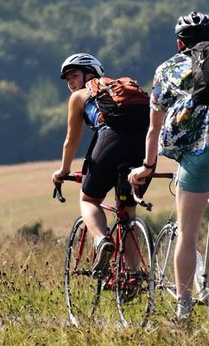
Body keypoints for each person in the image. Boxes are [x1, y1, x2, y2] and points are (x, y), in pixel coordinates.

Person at [128, 12, 209, 321]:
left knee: (187, 234)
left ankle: (184, 309)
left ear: (179, 43)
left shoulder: (167, 70)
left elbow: (154, 127)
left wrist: (148, 166)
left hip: (199, 151)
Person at [50, 53, 149, 275]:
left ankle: (102, 240)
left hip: (111, 141)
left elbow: (71, 140)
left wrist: (63, 171)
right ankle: (133, 276)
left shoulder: (80, 96)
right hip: (142, 145)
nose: (70, 83)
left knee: (89, 199)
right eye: (67, 79)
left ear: (90, 74)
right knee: (128, 212)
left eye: (74, 76)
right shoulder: (122, 89)